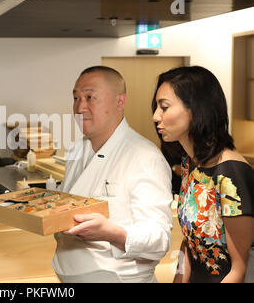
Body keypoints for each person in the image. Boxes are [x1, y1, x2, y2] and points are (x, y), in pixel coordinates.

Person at [53, 66, 173, 283]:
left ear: (120, 102)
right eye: (76, 98)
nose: (80, 108)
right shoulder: (77, 150)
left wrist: (111, 232)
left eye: (90, 97)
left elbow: (160, 239)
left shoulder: (144, 156)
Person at [152, 66, 254, 283]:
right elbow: (190, 243)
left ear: (196, 109)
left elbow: (239, 270)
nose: (156, 116)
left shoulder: (230, 173)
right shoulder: (190, 164)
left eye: (164, 107)